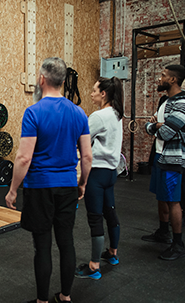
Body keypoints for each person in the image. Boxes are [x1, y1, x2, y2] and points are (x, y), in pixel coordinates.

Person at [5, 57, 92, 303]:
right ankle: (65, 297)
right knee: (66, 243)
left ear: (42, 79)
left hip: (39, 188)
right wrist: (82, 183)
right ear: (63, 81)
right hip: (67, 187)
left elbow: (23, 158)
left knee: (42, 247)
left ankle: (42, 301)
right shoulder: (78, 112)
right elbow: (86, 156)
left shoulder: (33, 112)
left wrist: (12, 190)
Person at [141, 65, 185, 261]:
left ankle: (178, 244)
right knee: (161, 197)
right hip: (159, 154)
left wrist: (155, 126)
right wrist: (156, 125)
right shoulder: (166, 101)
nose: (159, 78)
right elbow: (149, 127)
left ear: (173, 80)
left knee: (173, 200)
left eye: (163, 75)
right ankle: (163, 232)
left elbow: (164, 132)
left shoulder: (184, 103)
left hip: (173, 157)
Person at [75, 77, 123, 280]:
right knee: (109, 211)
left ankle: (94, 266)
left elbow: (80, 140)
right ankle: (112, 253)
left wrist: (81, 181)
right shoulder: (117, 113)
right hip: (111, 173)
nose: (91, 92)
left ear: (104, 93)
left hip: (97, 174)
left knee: (95, 217)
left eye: (95, 90)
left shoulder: (99, 116)